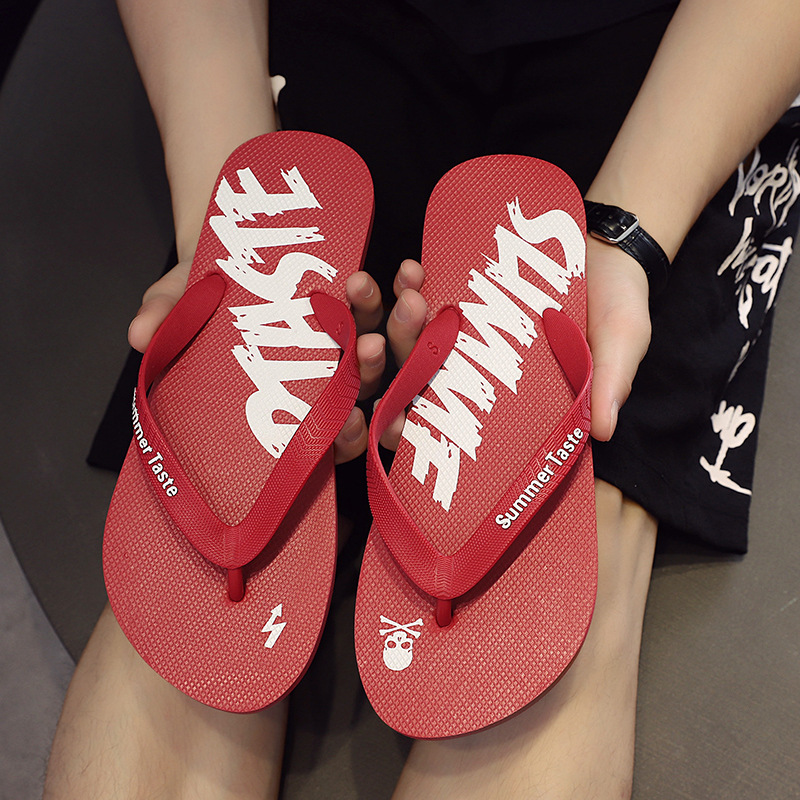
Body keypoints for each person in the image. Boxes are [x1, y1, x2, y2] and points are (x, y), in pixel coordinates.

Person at [44, 1, 800, 797]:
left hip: (672, 52)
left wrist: (626, 236)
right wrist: (228, 211)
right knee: (202, 581)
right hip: (340, 32)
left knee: (541, 582)